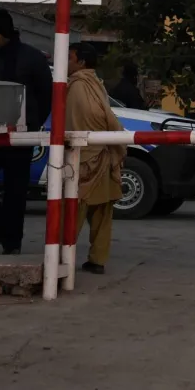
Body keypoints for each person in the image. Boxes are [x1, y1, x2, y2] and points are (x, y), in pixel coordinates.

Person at [0, 9, 53, 254]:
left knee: (15, 191)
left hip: (21, 134)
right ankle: (0, 227)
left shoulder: (32, 58)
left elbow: (45, 95)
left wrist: (32, 125)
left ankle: (12, 244)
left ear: (6, 32)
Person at [66, 42, 127, 274]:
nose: (66, 62)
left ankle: (61, 258)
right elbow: (107, 118)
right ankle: (97, 260)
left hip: (84, 158)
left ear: (81, 62)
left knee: (73, 210)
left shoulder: (78, 86)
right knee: (102, 213)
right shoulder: (95, 83)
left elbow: (90, 116)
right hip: (103, 155)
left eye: (70, 58)